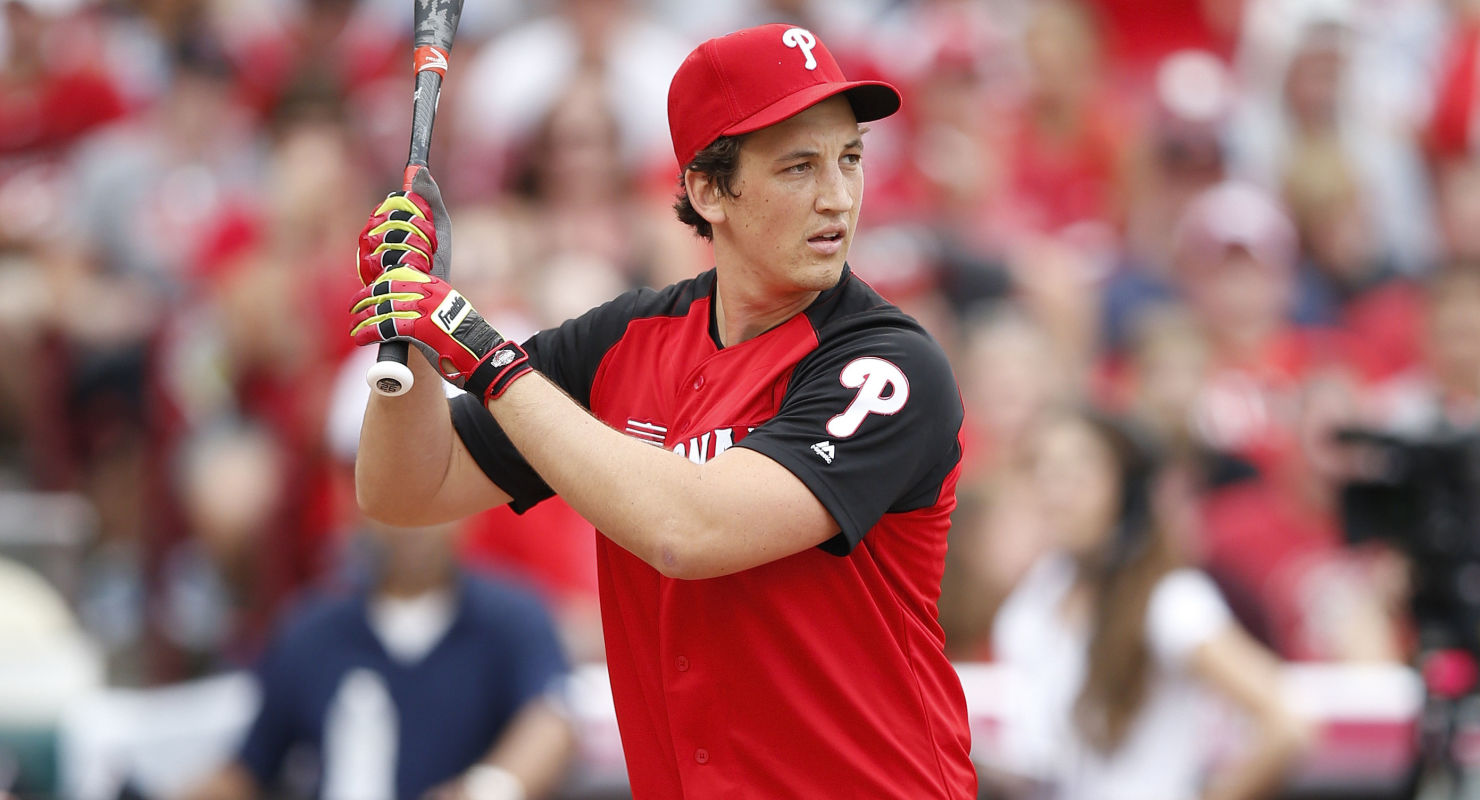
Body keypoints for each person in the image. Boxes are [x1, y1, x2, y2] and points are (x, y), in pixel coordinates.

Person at [346, 23, 975, 798]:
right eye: (799, 166)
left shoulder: (888, 363)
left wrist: (484, 355)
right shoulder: (624, 339)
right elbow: (404, 489)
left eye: (850, 158)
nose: (838, 196)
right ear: (709, 190)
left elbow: (690, 530)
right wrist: (402, 325)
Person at [989, 410, 1311, 800]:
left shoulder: (1170, 599)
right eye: (1043, 472)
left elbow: (1286, 723)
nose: (1056, 493)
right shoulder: (1042, 589)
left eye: (1077, 475)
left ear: (1126, 490)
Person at [178, 520, 575, 800]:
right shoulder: (311, 632)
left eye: (431, 487)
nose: (414, 517)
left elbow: (550, 720)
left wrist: (488, 789)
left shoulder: (512, 619)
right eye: (396, 489)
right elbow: (249, 768)